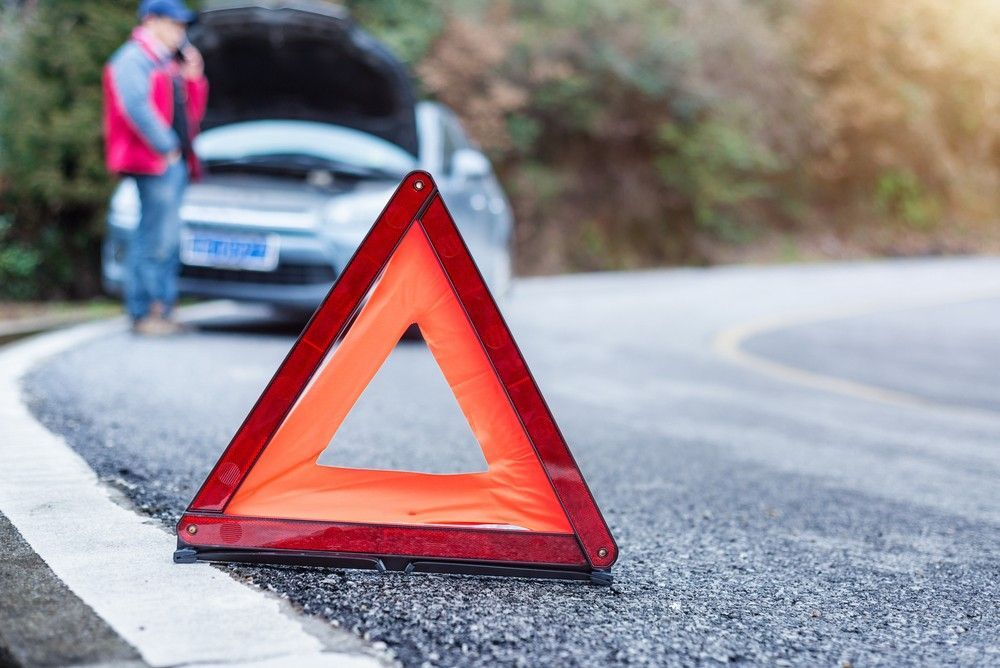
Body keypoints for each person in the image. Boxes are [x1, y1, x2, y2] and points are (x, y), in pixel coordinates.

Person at [103, 0, 208, 335]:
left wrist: (193, 79)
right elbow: (135, 107)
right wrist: (167, 147)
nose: (180, 31)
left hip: (172, 163)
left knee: (168, 238)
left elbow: (191, 114)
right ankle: (144, 313)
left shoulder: (167, 62)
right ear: (151, 21)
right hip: (153, 163)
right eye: (174, 24)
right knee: (154, 238)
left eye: (182, 25)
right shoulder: (134, 58)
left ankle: (163, 308)